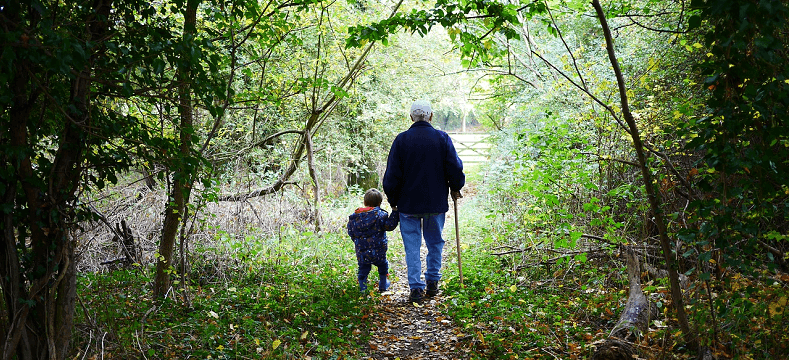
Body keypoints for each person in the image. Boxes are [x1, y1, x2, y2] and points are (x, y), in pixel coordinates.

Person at [383, 100, 465, 303]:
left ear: (411, 117)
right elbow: (454, 167)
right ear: (431, 116)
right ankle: (432, 283)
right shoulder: (442, 138)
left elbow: (392, 175)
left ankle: (416, 289)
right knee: (435, 242)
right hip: (435, 204)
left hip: (407, 205)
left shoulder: (401, 140)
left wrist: (393, 201)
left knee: (412, 246)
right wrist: (456, 186)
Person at [347, 188, 400, 293]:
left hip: (361, 250)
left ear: (365, 202)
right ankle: (383, 285)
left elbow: (350, 232)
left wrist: (358, 242)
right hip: (378, 249)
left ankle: (363, 289)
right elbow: (389, 226)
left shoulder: (355, 217)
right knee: (383, 265)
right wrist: (395, 213)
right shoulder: (381, 215)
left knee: (363, 268)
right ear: (380, 203)